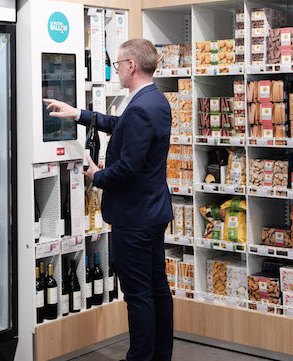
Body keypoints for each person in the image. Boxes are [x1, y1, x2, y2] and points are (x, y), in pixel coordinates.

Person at [43, 38, 174, 361]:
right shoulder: (154, 101)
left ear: (131, 66)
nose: (116, 71)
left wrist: (94, 175)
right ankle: (160, 355)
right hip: (153, 212)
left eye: (117, 65)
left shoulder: (142, 106)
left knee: (139, 295)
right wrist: (79, 114)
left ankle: (140, 357)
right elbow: (121, 126)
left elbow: (128, 167)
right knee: (157, 288)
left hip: (134, 217)